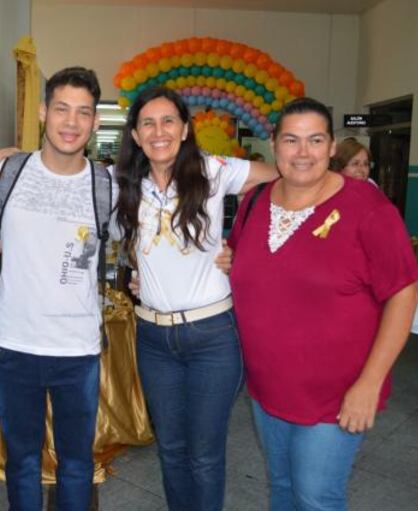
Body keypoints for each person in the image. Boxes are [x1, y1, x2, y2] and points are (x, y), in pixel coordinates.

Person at [228, 97, 418, 511]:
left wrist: (369, 384)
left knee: (316, 497)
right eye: (291, 140)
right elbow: (239, 262)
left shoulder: (368, 210)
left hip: (337, 394)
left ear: (332, 146)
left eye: (315, 140)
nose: (303, 152)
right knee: (281, 488)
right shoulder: (254, 202)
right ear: (274, 145)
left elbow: (404, 294)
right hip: (267, 388)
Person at [115, 86, 277, 511]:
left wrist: (245, 246)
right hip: (154, 338)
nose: (159, 131)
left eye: (168, 120)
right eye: (147, 123)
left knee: (204, 456)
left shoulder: (213, 169)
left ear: (185, 129)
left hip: (212, 338)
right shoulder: (125, 186)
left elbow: (283, 178)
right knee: (170, 450)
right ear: (134, 135)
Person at [0, 67, 105, 511]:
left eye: (83, 112)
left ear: (96, 122)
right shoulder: (6, 172)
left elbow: (149, 235)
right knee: (22, 461)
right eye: (61, 108)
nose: (71, 121)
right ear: (43, 111)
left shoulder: (108, 184)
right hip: (14, 346)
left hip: (78, 350)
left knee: (77, 463)